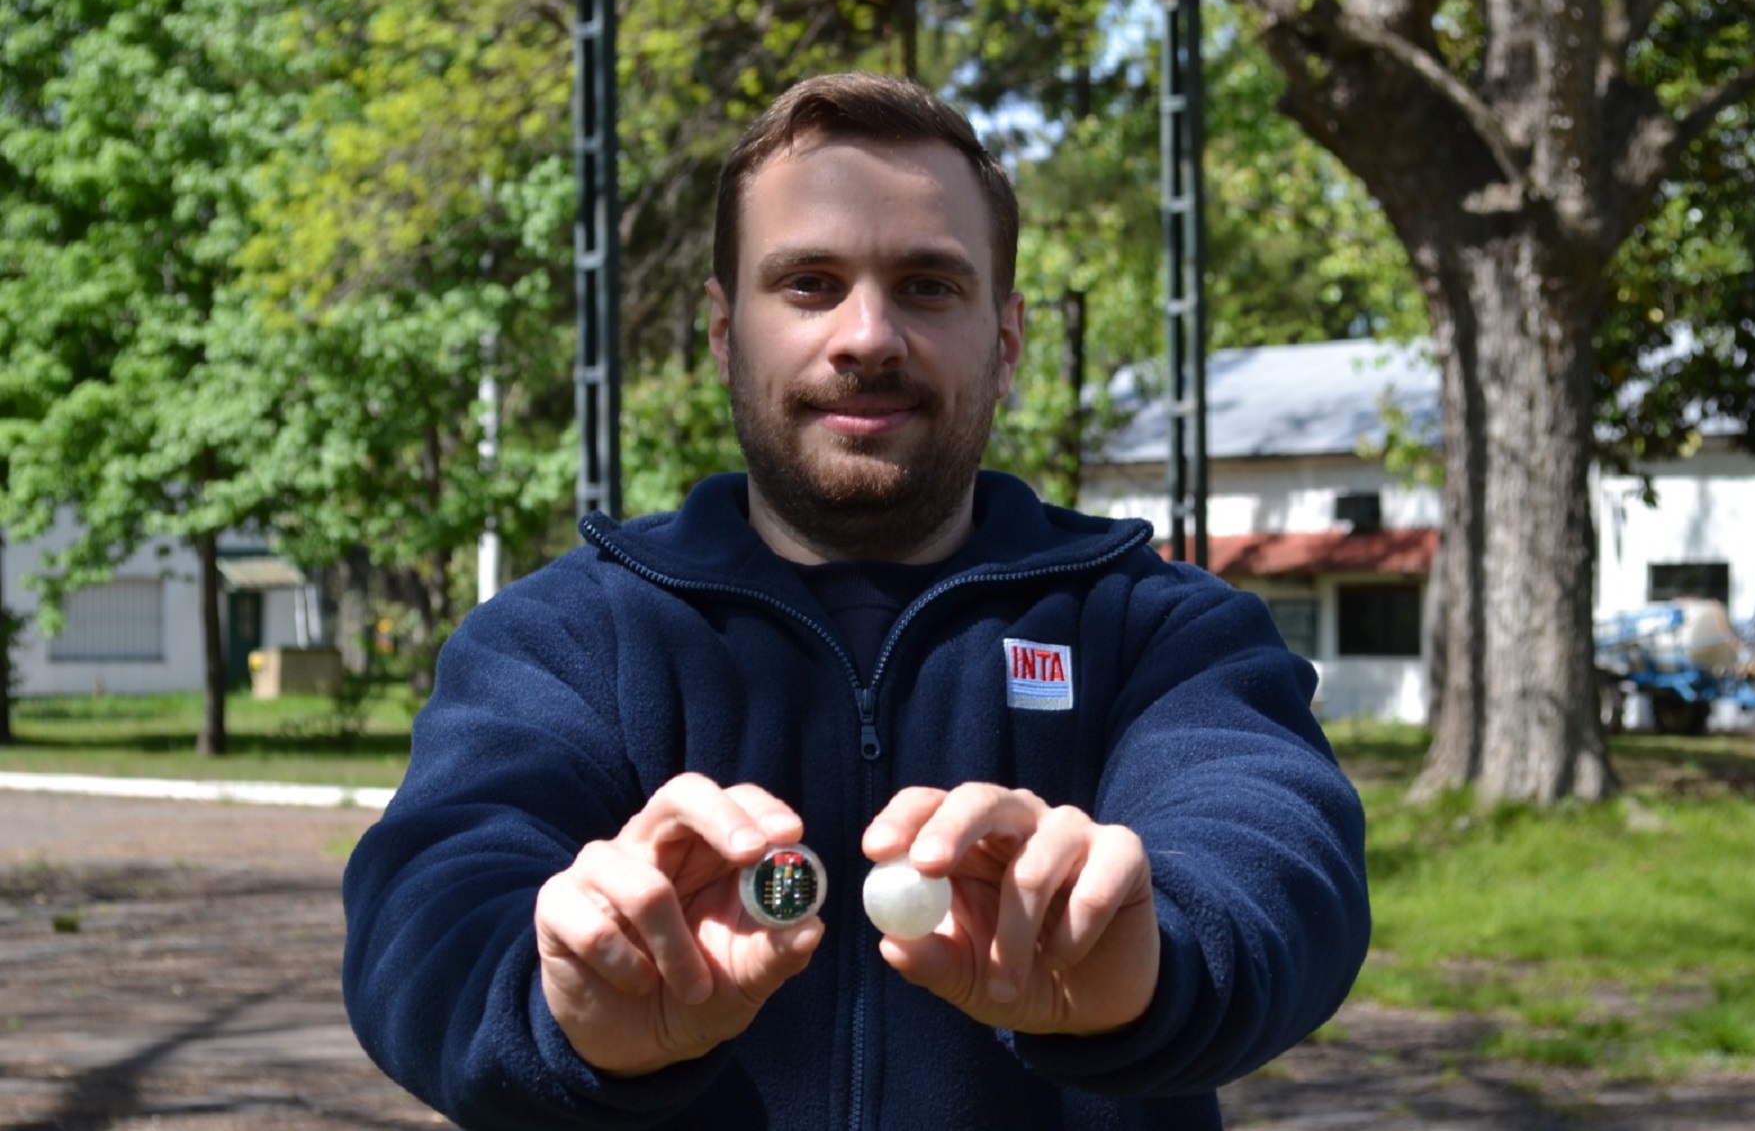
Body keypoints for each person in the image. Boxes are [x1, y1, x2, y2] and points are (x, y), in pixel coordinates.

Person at [342, 70, 1370, 1131]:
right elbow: (425, 920)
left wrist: (1157, 960)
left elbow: (1280, 857)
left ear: (1006, 337)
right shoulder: (562, 638)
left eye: (929, 285)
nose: (868, 335)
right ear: (721, 329)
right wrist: (562, 1005)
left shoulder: (1163, 631)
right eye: (809, 283)